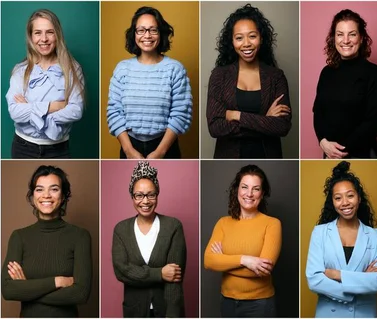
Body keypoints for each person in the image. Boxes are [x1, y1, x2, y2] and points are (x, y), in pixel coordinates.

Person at [1, 165, 92, 317]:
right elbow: (8, 290)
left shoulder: (80, 236)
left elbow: (80, 294)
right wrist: (57, 282)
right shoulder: (19, 237)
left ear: (63, 196)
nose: (46, 195)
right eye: (39, 189)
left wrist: (27, 289)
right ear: (32, 196)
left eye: (54, 189)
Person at [206, 4, 292, 159]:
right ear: (232, 42)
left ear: (261, 38)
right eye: (239, 38)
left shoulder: (276, 77)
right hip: (228, 158)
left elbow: (282, 126)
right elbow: (215, 127)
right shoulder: (219, 75)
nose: (246, 43)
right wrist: (265, 121)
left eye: (252, 36)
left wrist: (237, 115)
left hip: (268, 158)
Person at [107, 6, 193, 159]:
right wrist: (128, 151)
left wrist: (160, 152)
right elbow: (114, 112)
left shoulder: (175, 69)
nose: (147, 35)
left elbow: (181, 113)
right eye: (141, 30)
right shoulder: (122, 69)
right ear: (134, 34)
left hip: (166, 146)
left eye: (153, 30)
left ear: (161, 33)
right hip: (129, 145)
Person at [306, 161, 377, 317]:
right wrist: (361, 282)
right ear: (333, 202)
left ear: (359, 197)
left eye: (350, 196)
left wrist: (338, 275)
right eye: (338, 198)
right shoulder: (320, 233)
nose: (345, 203)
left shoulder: (376, 236)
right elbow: (314, 280)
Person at [204, 164, 281, 317]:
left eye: (256, 189)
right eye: (244, 187)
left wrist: (223, 261)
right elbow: (208, 261)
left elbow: (263, 270)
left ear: (262, 193)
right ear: (237, 190)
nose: (249, 194)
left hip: (260, 304)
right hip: (227, 302)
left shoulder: (272, 224)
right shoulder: (223, 223)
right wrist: (246, 260)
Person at [6, 9, 85, 159]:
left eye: (50, 32)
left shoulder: (73, 69)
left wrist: (33, 111)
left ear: (58, 35)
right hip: (23, 148)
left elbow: (76, 110)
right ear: (30, 37)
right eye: (37, 33)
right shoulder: (20, 70)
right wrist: (52, 106)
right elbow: (15, 112)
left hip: (59, 149)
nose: (44, 39)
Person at [112, 161, 186, 317]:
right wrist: (159, 273)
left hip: (166, 310)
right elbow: (121, 271)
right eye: (139, 195)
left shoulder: (173, 226)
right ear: (132, 197)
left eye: (151, 195)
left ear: (157, 195)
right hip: (134, 311)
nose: (145, 201)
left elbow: (174, 278)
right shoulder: (121, 229)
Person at [312, 10, 377, 159]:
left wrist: (338, 151)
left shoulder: (375, 74)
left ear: (361, 38)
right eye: (340, 34)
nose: (345, 40)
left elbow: (371, 124)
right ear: (334, 38)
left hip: (362, 155)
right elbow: (318, 112)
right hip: (329, 154)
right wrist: (323, 142)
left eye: (352, 34)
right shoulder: (326, 72)